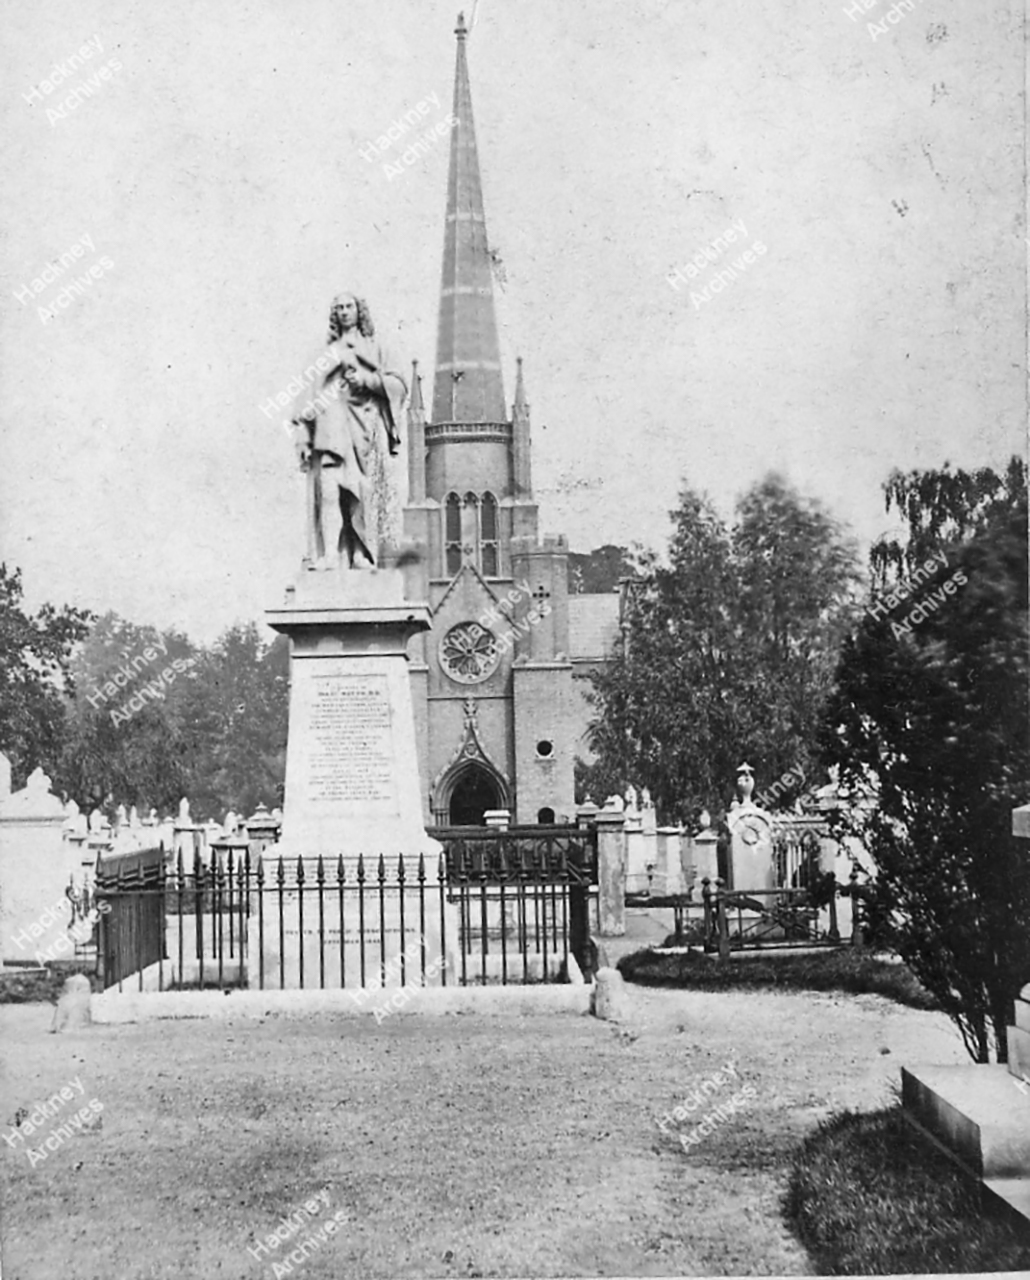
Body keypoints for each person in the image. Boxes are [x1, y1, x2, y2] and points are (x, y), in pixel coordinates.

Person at [292, 293, 407, 568]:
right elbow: (305, 398)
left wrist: (366, 380)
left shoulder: (377, 348)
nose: (344, 312)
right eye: (339, 308)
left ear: (359, 311)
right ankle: (331, 554)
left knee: (359, 491)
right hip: (329, 429)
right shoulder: (323, 353)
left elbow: (399, 386)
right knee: (329, 490)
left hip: (363, 428)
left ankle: (360, 553)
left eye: (349, 306)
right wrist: (303, 438)